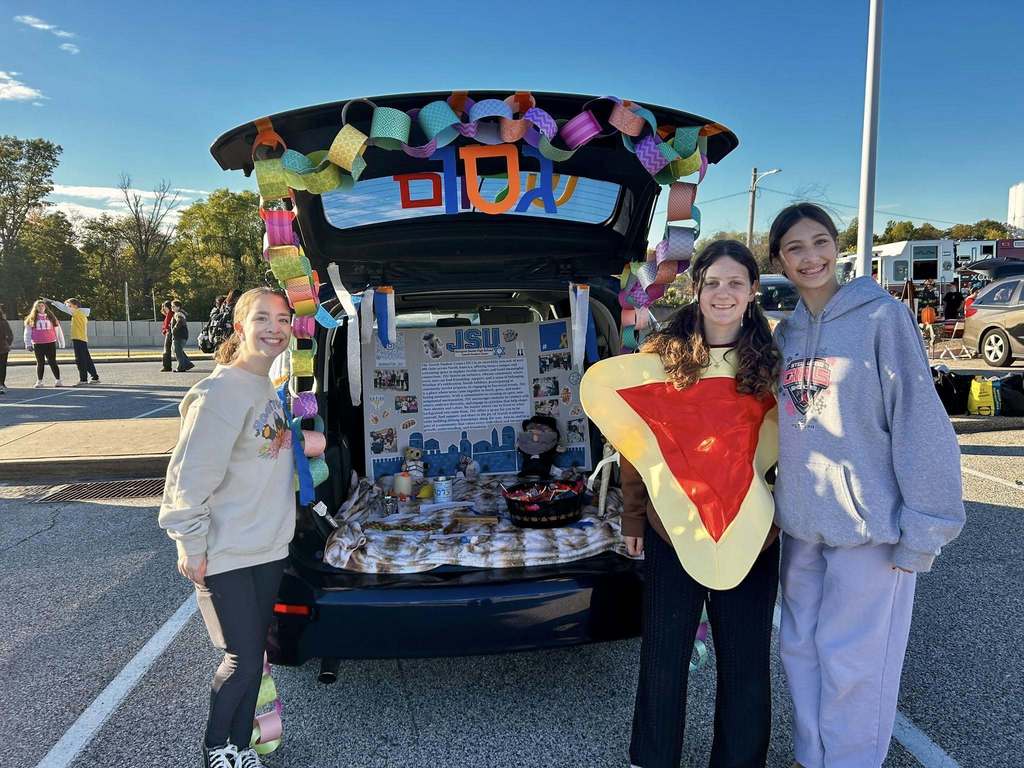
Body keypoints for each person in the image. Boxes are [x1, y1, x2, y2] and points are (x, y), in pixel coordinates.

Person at [767, 203, 965, 768]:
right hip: (803, 525)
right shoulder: (787, 333)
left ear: (839, 246)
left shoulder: (882, 318)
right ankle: (812, 757)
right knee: (800, 649)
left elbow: (920, 424)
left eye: (821, 241)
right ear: (779, 259)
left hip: (871, 528)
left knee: (855, 662)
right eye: (795, 248)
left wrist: (924, 530)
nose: (811, 257)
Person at [622, 240, 782, 768]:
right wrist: (633, 515)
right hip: (675, 530)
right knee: (664, 658)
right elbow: (633, 441)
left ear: (753, 291)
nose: (723, 293)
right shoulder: (658, 356)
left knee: (745, 663)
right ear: (697, 287)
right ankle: (653, 759)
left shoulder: (775, 362)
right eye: (713, 282)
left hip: (751, 534)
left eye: (736, 283)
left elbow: (798, 444)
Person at [158, 287, 295, 768]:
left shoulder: (265, 384)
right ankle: (217, 747)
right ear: (240, 327)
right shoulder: (219, 393)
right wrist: (190, 544)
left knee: (254, 655)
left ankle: (240, 745)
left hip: (268, 546)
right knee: (240, 661)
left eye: (283, 318)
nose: (274, 328)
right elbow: (186, 479)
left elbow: (261, 458)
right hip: (228, 551)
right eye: (262, 318)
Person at [47, 297, 99, 384]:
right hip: (81, 339)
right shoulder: (80, 313)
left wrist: (52, 301)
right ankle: (94, 377)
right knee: (86, 359)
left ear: (75, 306)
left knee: (80, 360)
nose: (67, 307)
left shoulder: (77, 312)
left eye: (69, 305)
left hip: (79, 339)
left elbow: (63, 308)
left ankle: (83, 379)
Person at [23, 300, 66, 388]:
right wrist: (28, 344)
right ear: (36, 308)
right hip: (38, 343)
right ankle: (39, 381)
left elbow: (58, 330)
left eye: (42, 305)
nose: (41, 307)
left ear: (45, 307)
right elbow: (27, 332)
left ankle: (58, 380)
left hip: (50, 342)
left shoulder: (51, 317)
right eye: (39, 306)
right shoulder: (31, 318)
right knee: (40, 362)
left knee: (52, 362)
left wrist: (61, 342)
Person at [170, 300, 195, 373]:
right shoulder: (179, 313)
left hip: (179, 336)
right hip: (181, 335)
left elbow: (180, 321)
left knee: (177, 351)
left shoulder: (178, 314)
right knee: (178, 350)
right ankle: (187, 364)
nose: (172, 307)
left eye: (173, 306)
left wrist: (174, 329)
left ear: (178, 307)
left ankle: (181, 367)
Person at [0, 305, 12, 395]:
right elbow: (10, 336)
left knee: (2, 366)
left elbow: (10, 335)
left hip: (3, 348)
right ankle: (1, 384)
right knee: (2, 366)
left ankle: (1, 384)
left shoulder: (3, 322)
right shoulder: (4, 322)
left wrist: (7, 344)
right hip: (4, 347)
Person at [160, 300, 174, 372]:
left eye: (164, 306)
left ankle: (167, 366)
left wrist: (165, 330)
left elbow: (167, 324)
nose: (163, 308)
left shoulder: (170, 314)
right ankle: (186, 363)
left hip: (169, 333)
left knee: (166, 351)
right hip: (169, 332)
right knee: (176, 350)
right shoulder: (169, 313)